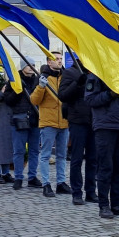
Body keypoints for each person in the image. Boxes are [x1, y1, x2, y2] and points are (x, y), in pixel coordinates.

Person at [85, 67, 119, 219]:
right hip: (105, 125)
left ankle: (117, 204)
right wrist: (110, 94)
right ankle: (104, 205)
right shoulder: (98, 72)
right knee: (106, 167)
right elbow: (90, 99)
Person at [59, 58, 98, 205]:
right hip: (77, 120)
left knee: (93, 159)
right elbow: (62, 95)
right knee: (76, 158)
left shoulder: (96, 72)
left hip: (94, 120)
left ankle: (91, 192)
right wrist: (78, 83)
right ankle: (76, 192)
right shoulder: (70, 72)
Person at [31, 55, 71, 198]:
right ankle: (46, 184)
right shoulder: (43, 77)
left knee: (62, 155)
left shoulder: (66, 76)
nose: (59, 60)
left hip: (64, 121)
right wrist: (41, 87)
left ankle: (61, 183)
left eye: (60, 58)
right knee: (46, 155)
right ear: (49, 62)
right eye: (56, 58)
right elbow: (34, 100)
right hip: (48, 122)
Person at [9, 61, 41, 190]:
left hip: (35, 119)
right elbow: (8, 100)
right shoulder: (14, 80)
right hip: (19, 119)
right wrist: (18, 91)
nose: (31, 66)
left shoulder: (38, 80)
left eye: (33, 64)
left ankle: (32, 177)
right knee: (19, 151)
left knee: (34, 150)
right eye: (28, 64)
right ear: (22, 67)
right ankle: (18, 177)